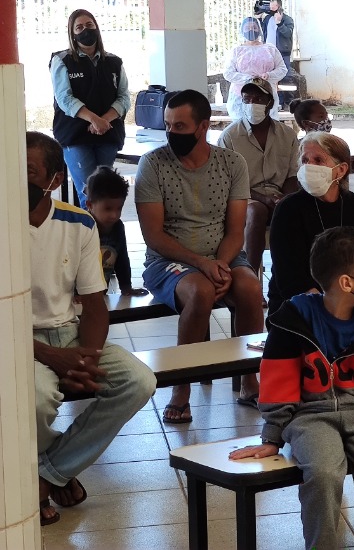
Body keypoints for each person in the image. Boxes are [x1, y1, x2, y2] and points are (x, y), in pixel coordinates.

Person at [230, 226, 354, 550]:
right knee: (323, 476)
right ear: (346, 283)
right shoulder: (292, 320)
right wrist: (272, 437)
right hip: (311, 417)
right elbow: (278, 383)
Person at [27, 132, 156, 527]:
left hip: (70, 333)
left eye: (29, 171)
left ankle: (46, 473)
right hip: (19, 342)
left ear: (54, 180)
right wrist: (53, 357)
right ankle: (49, 475)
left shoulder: (79, 222)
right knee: (37, 399)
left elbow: (95, 304)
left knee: (139, 381)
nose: (16, 179)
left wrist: (86, 358)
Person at [136, 90, 264, 423]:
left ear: (203, 126)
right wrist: (202, 264)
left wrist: (219, 263)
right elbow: (154, 236)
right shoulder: (153, 165)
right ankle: (181, 387)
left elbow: (235, 231)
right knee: (200, 291)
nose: (171, 133)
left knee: (251, 288)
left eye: (180, 126)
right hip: (168, 261)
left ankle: (250, 379)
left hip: (223, 255)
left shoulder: (231, 164)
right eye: (167, 125)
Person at [267, 132, 354, 315]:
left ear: (341, 170)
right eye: (305, 160)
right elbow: (289, 276)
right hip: (300, 303)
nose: (309, 166)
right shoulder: (288, 209)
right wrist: (328, 310)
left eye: (318, 160)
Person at [216, 76, 300, 274]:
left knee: (300, 207)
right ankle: (250, 276)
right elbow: (227, 182)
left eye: (259, 99)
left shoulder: (287, 135)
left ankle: (291, 276)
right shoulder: (230, 136)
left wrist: (285, 198)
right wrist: (263, 198)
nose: (252, 104)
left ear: (270, 102)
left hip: (277, 195)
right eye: (247, 99)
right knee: (257, 211)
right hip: (243, 197)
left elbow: (292, 175)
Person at [50, 9, 129, 207]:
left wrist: (104, 121)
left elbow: (123, 97)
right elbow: (64, 98)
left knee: (104, 192)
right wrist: (93, 119)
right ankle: (89, 228)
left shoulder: (114, 62)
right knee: (88, 193)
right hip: (75, 136)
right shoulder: (62, 60)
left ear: (96, 27)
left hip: (107, 134)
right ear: (72, 33)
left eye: (89, 25)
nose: (85, 30)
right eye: (79, 27)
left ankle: (103, 228)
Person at [84, 165, 146, 296]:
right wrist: (75, 294)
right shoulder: (81, 227)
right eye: (108, 209)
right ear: (89, 205)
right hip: (78, 296)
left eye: (119, 208)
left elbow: (122, 260)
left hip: (101, 294)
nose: (114, 215)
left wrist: (126, 287)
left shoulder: (117, 227)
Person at [224, 17, 287, 121]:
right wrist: (248, 79)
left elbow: (282, 69)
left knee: (267, 125)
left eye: (254, 27)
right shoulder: (237, 51)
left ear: (259, 29)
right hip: (241, 97)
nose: (251, 30)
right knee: (242, 126)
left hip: (266, 95)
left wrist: (269, 75)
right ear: (242, 31)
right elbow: (228, 73)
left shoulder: (270, 49)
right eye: (247, 28)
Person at [256, 0, 294, 70]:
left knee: (284, 73)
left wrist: (279, 23)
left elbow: (288, 33)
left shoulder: (287, 19)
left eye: (273, 7)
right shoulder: (268, 18)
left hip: (282, 53)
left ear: (278, 7)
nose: (271, 9)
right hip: (268, 52)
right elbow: (263, 31)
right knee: (269, 73)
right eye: (270, 7)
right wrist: (259, 19)